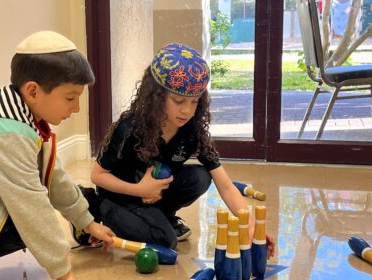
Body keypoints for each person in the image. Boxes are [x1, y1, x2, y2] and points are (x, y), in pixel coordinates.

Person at [72, 43, 275, 256]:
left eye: (194, 102)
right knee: (166, 241)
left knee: (200, 177)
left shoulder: (192, 131)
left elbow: (225, 185)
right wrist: (140, 190)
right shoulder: (129, 128)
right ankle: (92, 207)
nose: (186, 110)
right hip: (119, 198)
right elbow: (97, 175)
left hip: (153, 197)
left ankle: (162, 216)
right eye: (178, 101)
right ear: (157, 96)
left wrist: (251, 226)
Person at [0, 31, 115, 280]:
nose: (76, 108)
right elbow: (30, 205)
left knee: (44, 200)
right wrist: (63, 273)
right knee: (29, 212)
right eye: (70, 98)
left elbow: (53, 176)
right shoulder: (5, 132)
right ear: (33, 92)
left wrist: (86, 222)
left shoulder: (21, 119)